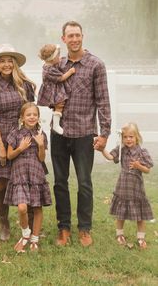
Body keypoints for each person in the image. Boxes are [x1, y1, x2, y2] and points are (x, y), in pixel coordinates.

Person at [51, 21, 111, 247]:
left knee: (84, 182)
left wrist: (104, 133)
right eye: (70, 35)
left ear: (82, 36)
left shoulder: (96, 65)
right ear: (63, 39)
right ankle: (63, 227)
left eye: (77, 35)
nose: (74, 39)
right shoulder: (58, 64)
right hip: (59, 132)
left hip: (84, 132)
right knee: (60, 182)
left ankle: (84, 228)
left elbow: (103, 101)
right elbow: (48, 92)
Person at [0, 44, 36, 241]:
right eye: (2, 60)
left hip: (23, 136)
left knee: (27, 178)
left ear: (15, 63)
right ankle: (3, 221)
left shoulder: (24, 84)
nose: (6, 64)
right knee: (2, 181)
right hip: (2, 135)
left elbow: (31, 111)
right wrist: (0, 146)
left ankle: (29, 222)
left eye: (9, 60)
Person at [4, 102, 52, 252]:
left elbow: (42, 158)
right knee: (22, 207)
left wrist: (40, 145)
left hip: (36, 173)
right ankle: (25, 233)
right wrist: (21, 148)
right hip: (20, 175)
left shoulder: (41, 135)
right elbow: (9, 155)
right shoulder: (15, 133)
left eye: (35, 115)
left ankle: (34, 239)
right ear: (22, 117)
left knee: (37, 207)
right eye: (28, 115)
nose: (32, 117)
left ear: (38, 117)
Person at [101, 122, 153, 249]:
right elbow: (109, 157)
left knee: (140, 216)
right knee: (121, 214)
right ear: (122, 138)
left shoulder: (142, 152)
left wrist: (138, 166)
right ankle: (119, 234)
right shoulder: (121, 150)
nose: (128, 139)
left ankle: (141, 237)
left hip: (136, 189)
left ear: (137, 137)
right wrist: (102, 149)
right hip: (123, 187)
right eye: (125, 137)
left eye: (131, 137)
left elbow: (148, 169)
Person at [37, 44, 75, 135]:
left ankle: (55, 123)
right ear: (52, 59)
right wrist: (70, 72)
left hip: (55, 88)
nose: (59, 57)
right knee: (59, 105)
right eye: (58, 56)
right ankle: (56, 125)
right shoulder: (49, 69)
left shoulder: (50, 64)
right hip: (53, 91)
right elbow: (61, 78)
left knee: (59, 105)